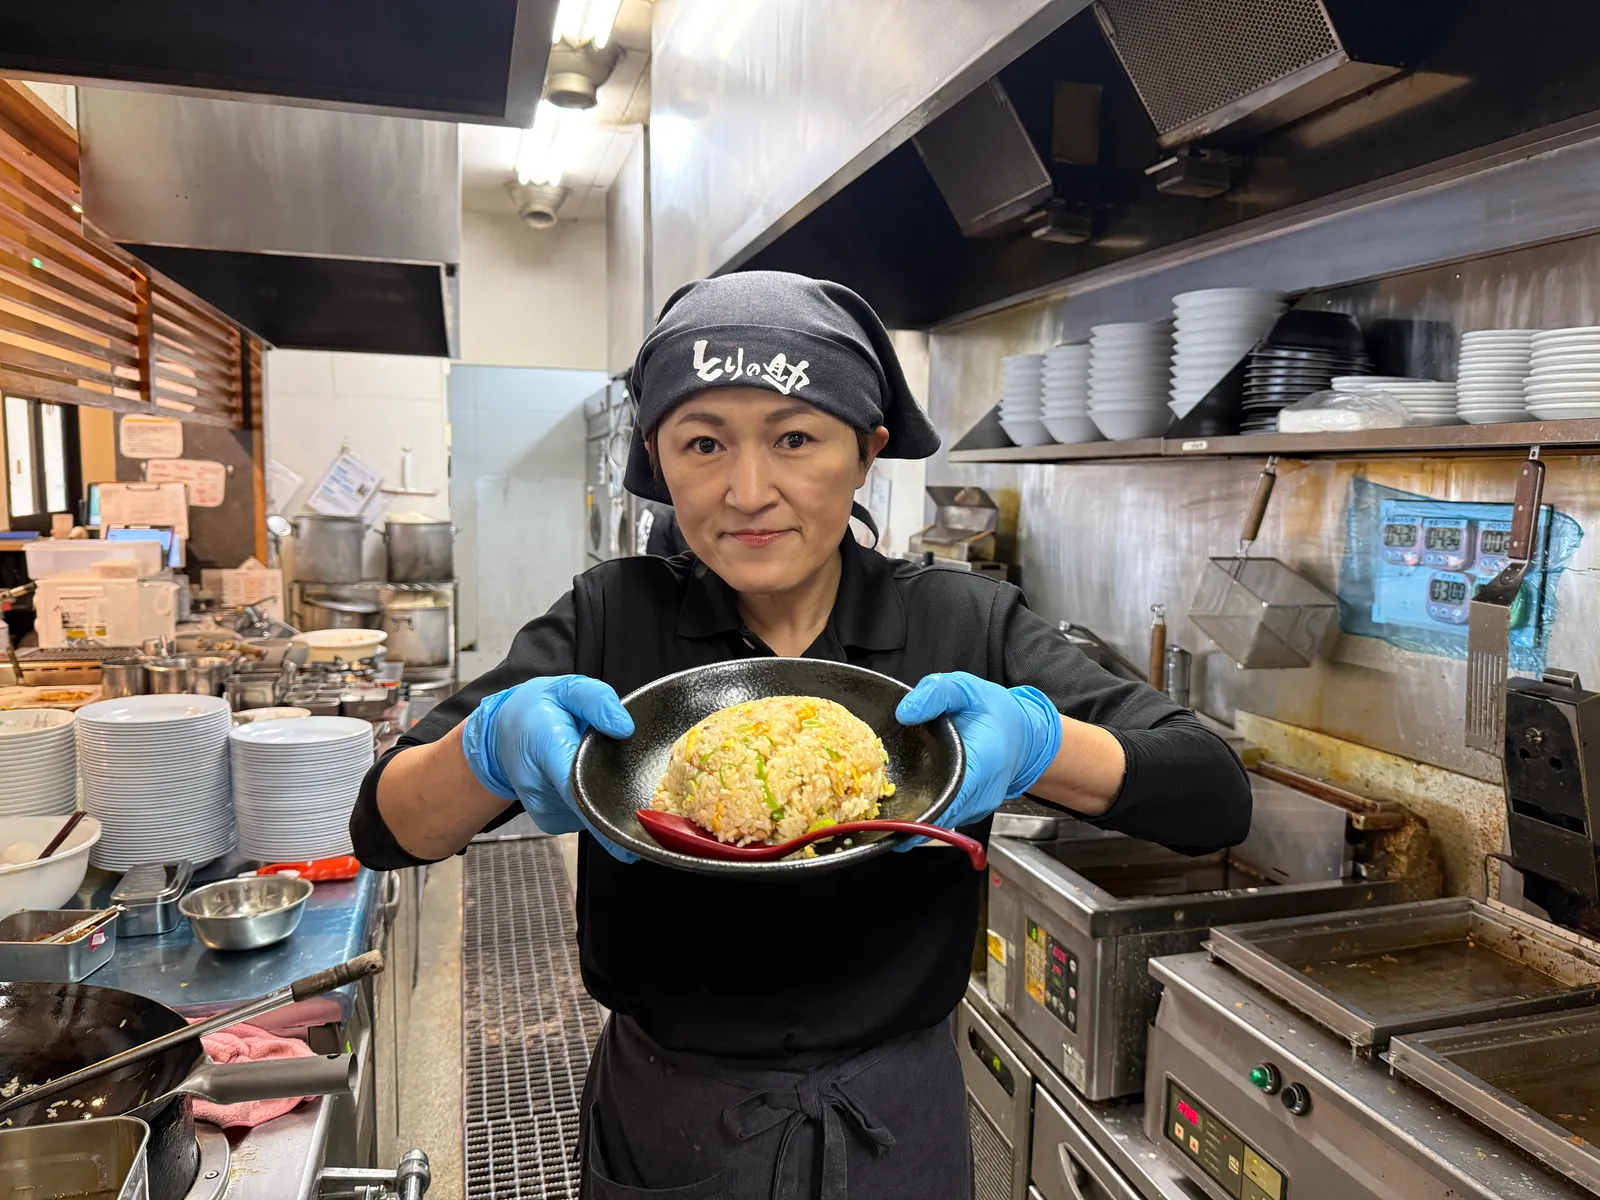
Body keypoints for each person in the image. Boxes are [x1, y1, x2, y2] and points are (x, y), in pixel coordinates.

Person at [351, 271, 1252, 1200]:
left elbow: (1213, 794)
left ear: (866, 453)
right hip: (670, 1119)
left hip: (897, 1124)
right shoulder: (612, 617)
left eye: (794, 438)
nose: (748, 490)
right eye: (704, 443)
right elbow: (384, 828)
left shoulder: (961, 624)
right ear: (659, 460)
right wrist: (487, 747)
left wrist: (1039, 742)